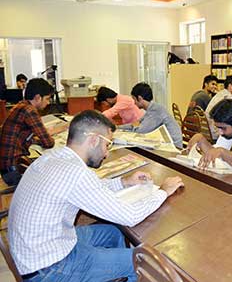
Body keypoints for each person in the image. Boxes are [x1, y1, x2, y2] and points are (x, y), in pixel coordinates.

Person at [8, 110, 184, 281]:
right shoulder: (75, 173)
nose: (107, 153)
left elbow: (91, 188)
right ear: (93, 140)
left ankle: (112, 273)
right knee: (141, 262)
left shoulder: (54, 157)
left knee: (114, 232)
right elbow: (129, 217)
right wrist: (163, 191)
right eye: (107, 145)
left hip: (34, 251)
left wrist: (124, 182)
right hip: (49, 269)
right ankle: (120, 271)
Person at [0, 78, 63, 186]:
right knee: (52, 181)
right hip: (13, 169)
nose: (48, 103)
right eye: (47, 99)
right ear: (38, 97)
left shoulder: (21, 106)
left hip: (6, 166)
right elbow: (48, 143)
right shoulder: (30, 111)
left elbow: (23, 136)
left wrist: (36, 140)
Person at [123, 82, 183, 148]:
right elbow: (137, 123)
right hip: (166, 143)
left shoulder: (156, 111)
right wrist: (118, 127)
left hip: (173, 147)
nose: (134, 103)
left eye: (134, 99)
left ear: (140, 98)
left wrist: (135, 126)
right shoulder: (152, 108)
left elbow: (140, 131)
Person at [205, 75, 232, 139]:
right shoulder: (227, 97)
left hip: (207, 130)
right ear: (230, 86)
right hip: (215, 131)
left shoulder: (221, 93)